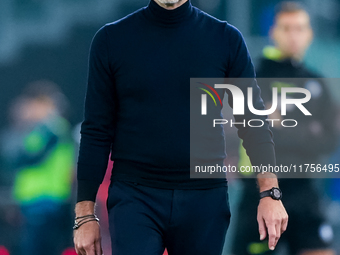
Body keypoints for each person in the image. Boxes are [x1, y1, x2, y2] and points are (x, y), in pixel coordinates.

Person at [73, 1, 288, 255]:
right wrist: (84, 216)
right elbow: (96, 130)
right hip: (135, 195)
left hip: (204, 198)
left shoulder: (225, 39)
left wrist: (270, 193)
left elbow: (253, 122)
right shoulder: (111, 39)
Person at [232, 2, 337, 255]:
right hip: (260, 192)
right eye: (286, 28)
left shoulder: (317, 83)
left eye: (300, 28)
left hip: (304, 191)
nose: (293, 35)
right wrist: (305, 130)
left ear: (309, 34)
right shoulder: (255, 77)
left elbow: (330, 140)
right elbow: (253, 133)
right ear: (273, 32)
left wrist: (283, 127)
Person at [1, 80, 75, 255]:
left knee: (36, 249)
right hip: (36, 200)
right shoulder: (42, 130)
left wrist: (20, 125)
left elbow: (23, 158)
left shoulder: (51, 129)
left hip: (45, 200)